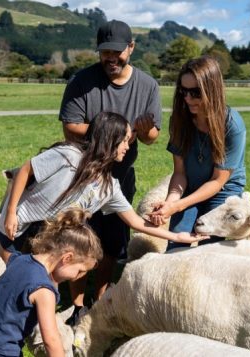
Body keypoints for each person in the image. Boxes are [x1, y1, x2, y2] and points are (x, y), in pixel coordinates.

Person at [58, 19, 162, 319]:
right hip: (83, 175)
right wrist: (109, 133)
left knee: (111, 245)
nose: (110, 58)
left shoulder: (147, 85)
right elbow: (70, 127)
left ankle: (100, 301)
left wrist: (143, 131)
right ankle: (77, 306)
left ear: (131, 48)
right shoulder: (82, 81)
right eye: (105, 52)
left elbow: (153, 137)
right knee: (79, 239)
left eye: (117, 52)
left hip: (121, 176)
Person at [0, 111, 200, 263]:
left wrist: (176, 236)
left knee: (36, 284)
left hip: (49, 238)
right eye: (125, 140)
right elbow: (25, 170)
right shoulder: (68, 156)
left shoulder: (108, 187)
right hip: (18, 227)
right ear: (110, 141)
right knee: (10, 278)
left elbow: (136, 223)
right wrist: (10, 213)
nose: (128, 146)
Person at [0, 208, 102, 357]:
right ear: (67, 258)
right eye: (79, 271)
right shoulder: (44, 291)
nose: (75, 278)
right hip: (1, 349)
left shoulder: (21, 260)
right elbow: (51, 340)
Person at [147, 56, 247, 251]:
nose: (187, 99)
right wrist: (170, 203)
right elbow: (180, 173)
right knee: (176, 242)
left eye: (195, 92)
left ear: (212, 90)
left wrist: (178, 206)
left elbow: (218, 181)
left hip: (223, 190)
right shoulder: (180, 120)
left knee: (209, 247)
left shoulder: (233, 125)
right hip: (190, 185)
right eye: (183, 91)